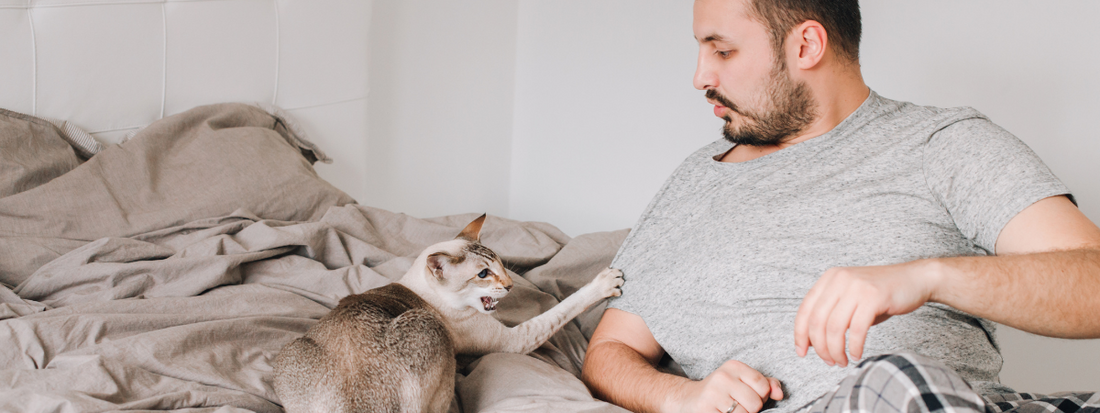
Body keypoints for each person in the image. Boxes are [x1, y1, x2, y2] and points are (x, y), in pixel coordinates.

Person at [580, 1, 1100, 413]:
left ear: (806, 44)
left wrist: (928, 277)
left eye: (722, 51)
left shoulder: (942, 145)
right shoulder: (695, 182)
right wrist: (679, 397)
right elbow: (609, 352)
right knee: (894, 382)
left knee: (900, 380)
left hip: (956, 401)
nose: (700, 76)